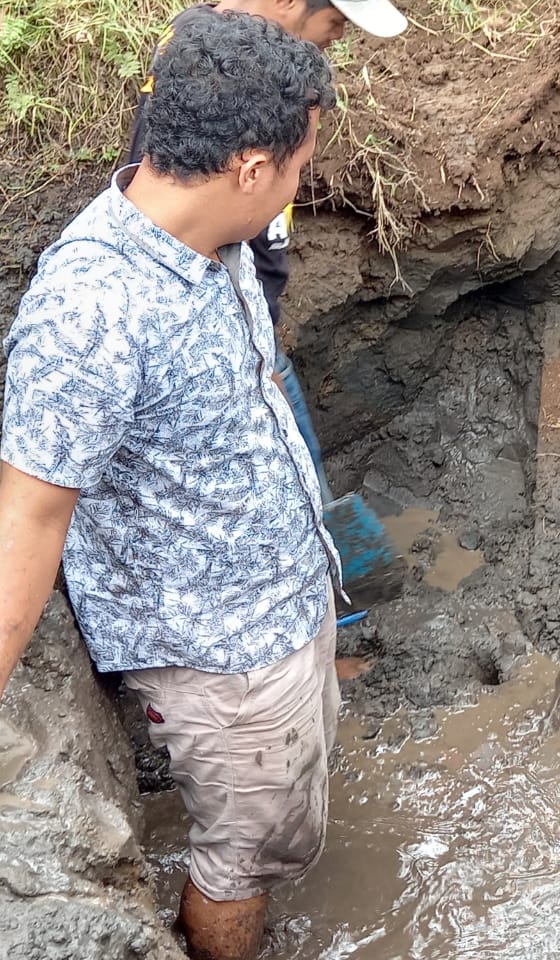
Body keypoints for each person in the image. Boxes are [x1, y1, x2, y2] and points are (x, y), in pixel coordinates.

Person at [1, 15, 340, 960]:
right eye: (301, 166)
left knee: (279, 830)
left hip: (287, 592)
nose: (302, 185)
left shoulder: (214, 243)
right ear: (249, 169)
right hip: (216, 651)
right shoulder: (90, 313)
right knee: (244, 853)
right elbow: (25, 519)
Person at [126, 0, 407, 499]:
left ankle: (329, 557)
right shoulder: (203, 60)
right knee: (286, 479)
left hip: (251, 320)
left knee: (299, 471)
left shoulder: (273, 72)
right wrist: (250, 353)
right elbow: (171, 213)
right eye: (336, 22)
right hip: (226, 328)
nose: (337, 38)